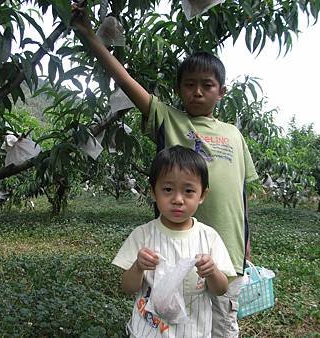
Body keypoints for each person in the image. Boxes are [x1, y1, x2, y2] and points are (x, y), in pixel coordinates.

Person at [71, 4, 258, 337]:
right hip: (175, 250)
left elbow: (241, 192)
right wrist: (89, 35)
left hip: (225, 253)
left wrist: (246, 244)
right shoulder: (169, 119)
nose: (197, 91)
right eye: (189, 84)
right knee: (173, 323)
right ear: (179, 89)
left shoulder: (234, 134)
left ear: (222, 91)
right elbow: (126, 80)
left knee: (224, 324)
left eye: (207, 85)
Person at [112, 145, 237, 337]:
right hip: (148, 331)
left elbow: (221, 290)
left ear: (202, 195)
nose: (178, 199)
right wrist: (138, 266)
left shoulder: (209, 237)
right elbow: (127, 288)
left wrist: (212, 271)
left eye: (188, 191)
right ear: (153, 192)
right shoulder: (143, 235)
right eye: (168, 189)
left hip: (193, 331)